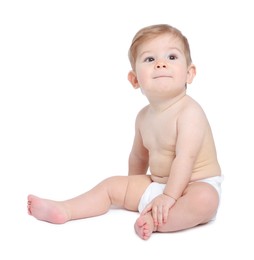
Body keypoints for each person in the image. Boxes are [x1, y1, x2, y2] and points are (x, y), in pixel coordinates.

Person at [27, 24, 223, 240]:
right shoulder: (143, 117)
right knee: (112, 185)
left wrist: (168, 197)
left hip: (194, 186)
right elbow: (139, 156)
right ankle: (66, 209)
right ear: (135, 80)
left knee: (205, 200)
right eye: (150, 59)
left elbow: (186, 158)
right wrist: (133, 187)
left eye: (172, 57)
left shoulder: (190, 112)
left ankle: (156, 222)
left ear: (189, 73)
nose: (161, 64)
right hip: (159, 185)